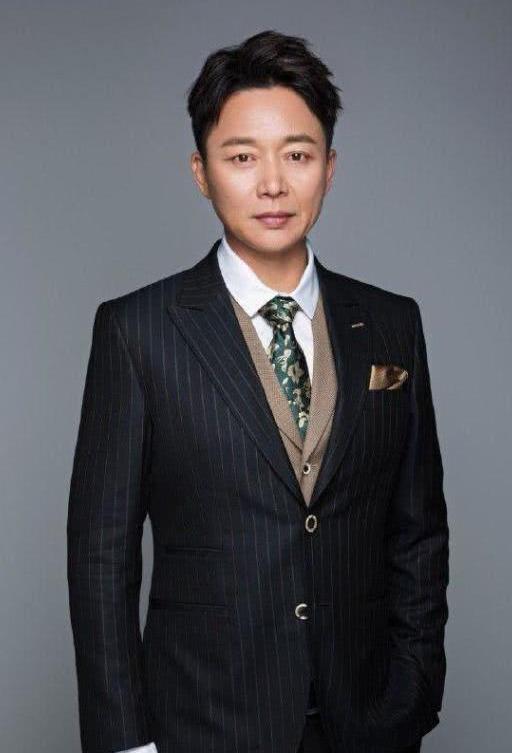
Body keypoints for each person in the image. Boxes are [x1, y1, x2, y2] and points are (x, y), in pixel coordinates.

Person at [67, 29, 449, 753]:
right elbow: (101, 556)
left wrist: (414, 691)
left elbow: (418, 529)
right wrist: (126, 742)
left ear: (329, 167)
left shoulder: (392, 324)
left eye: (297, 155)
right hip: (203, 724)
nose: (272, 183)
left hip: (365, 723)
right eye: (242, 157)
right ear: (201, 172)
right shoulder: (137, 330)